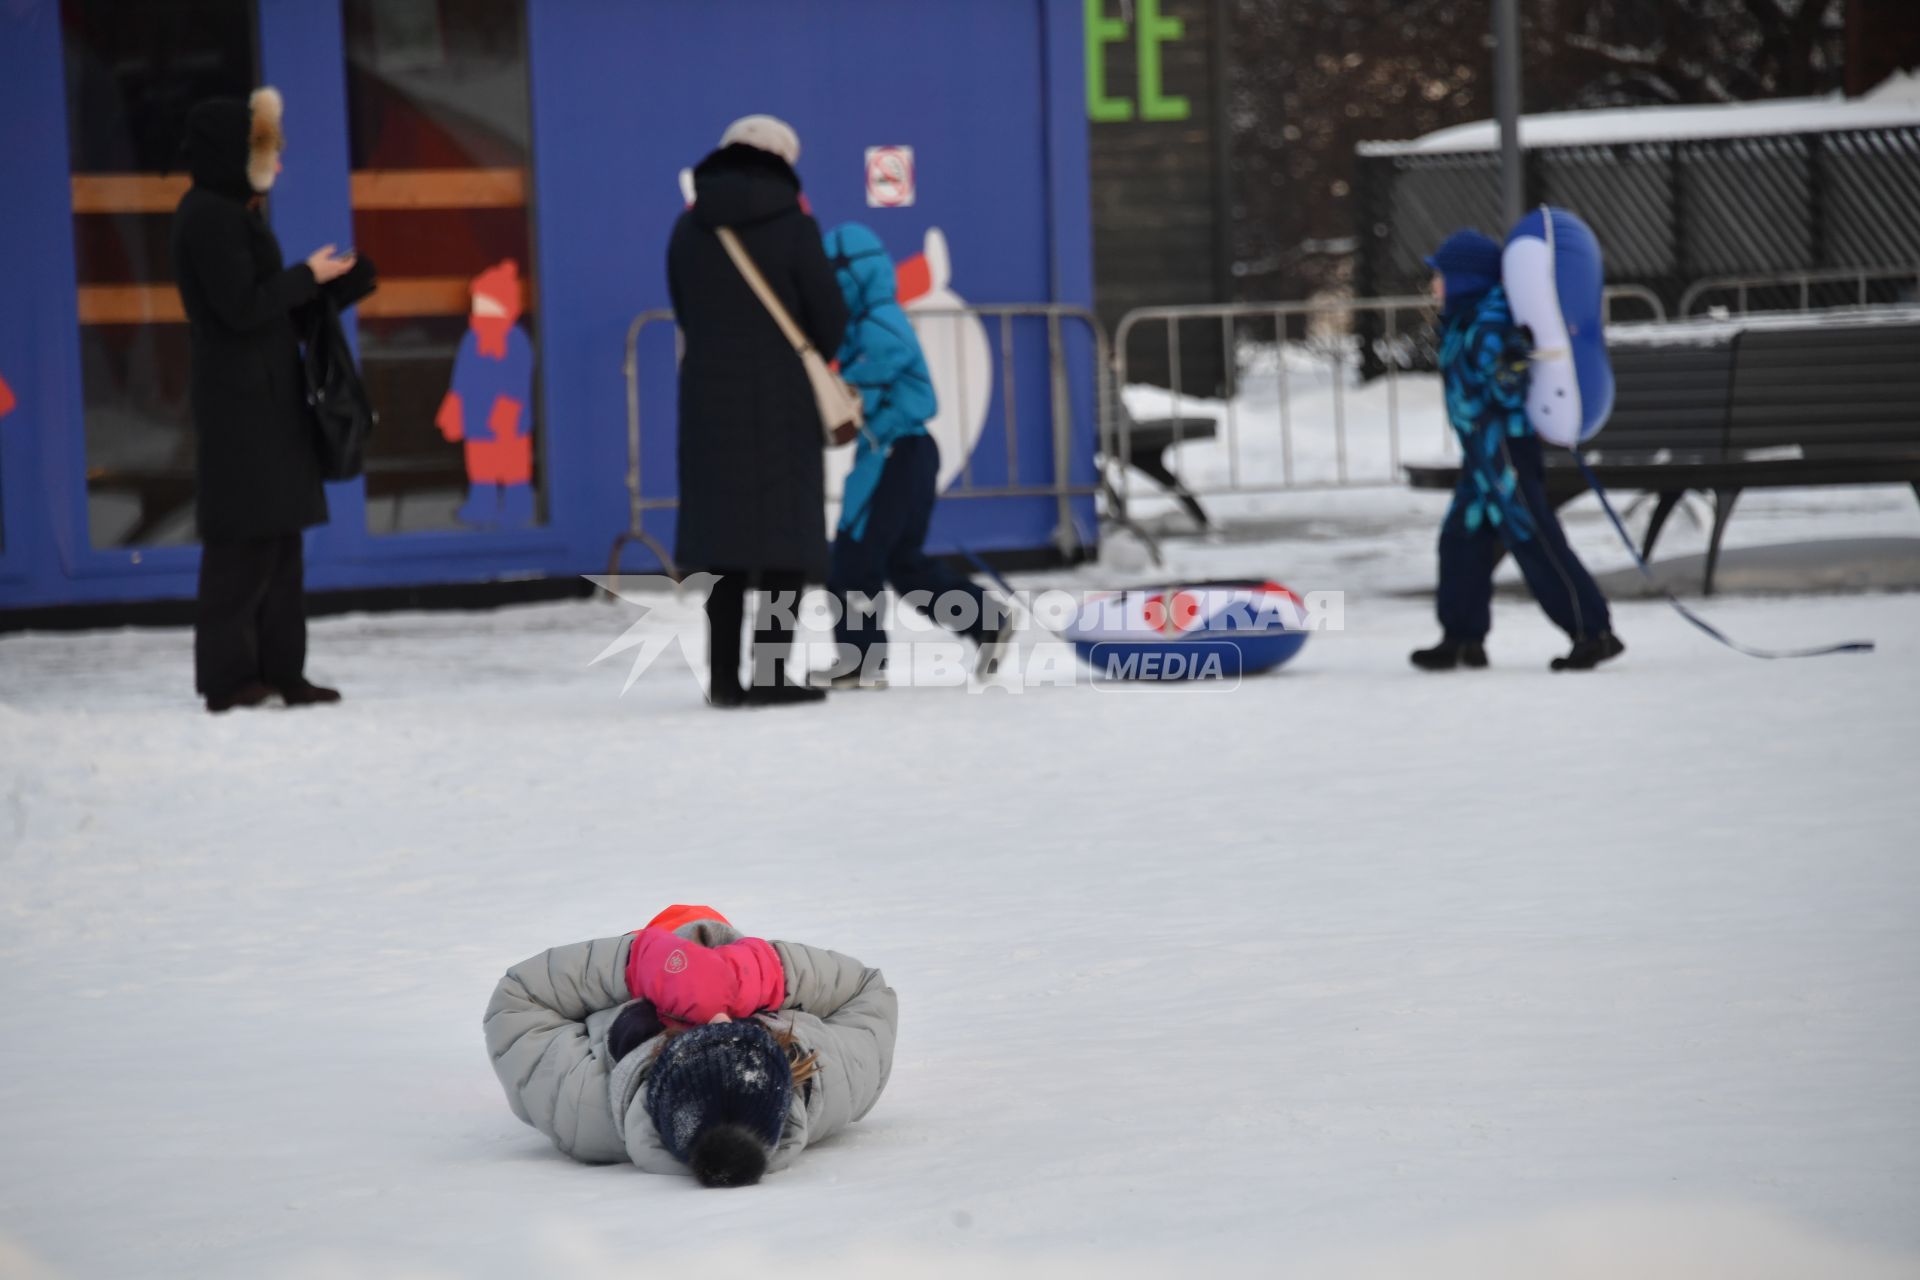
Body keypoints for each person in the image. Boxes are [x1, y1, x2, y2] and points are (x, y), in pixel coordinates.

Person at [171, 87, 376, 713]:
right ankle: (231, 680)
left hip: (265, 398)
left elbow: (266, 311)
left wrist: (333, 289)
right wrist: (305, 278)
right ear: (235, 155)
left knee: (280, 543)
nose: (279, 165)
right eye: (267, 152)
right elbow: (240, 307)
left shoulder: (233, 212)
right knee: (243, 546)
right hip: (240, 406)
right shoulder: (207, 214)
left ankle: (283, 672)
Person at [483, 905, 897, 1188]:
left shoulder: (583, 1105)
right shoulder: (825, 1080)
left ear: (658, 1069)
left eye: (695, 1034)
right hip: (725, 953)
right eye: (747, 1030)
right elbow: (868, 994)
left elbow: (519, 1002)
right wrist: (759, 975)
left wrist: (639, 963)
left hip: (638, 963)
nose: (719, 1015)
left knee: (682, 934)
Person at [667, 116, 849, 708]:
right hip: (783, 402)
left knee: (722, 542)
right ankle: (770, 674)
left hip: (708, 402)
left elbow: (685, 308)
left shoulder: (688, 230)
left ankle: (723, 680)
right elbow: (829, 321)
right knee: (782, 541)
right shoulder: (795, 226)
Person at [1411, 230, 1624, 673]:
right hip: (1482, 455)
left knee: (1533, 537)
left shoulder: (1488, 321)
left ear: (1466, 279)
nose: (1434, 285)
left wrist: (1511, 366)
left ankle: (1593, 631)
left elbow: (1510, 382)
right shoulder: (1465, 319)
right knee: (1460, 539)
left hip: (1505, 451)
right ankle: (1462, 636)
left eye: (1440, 276)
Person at [813, 223, 1010, 690]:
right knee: (903, 563)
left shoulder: (879, 320)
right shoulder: (864, 320)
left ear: (850, 275)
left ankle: (861, 661)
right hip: (904, 452)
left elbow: (881, 360)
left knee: (854, 558)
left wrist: (841, 387)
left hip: (895, 453)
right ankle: (985, 620)